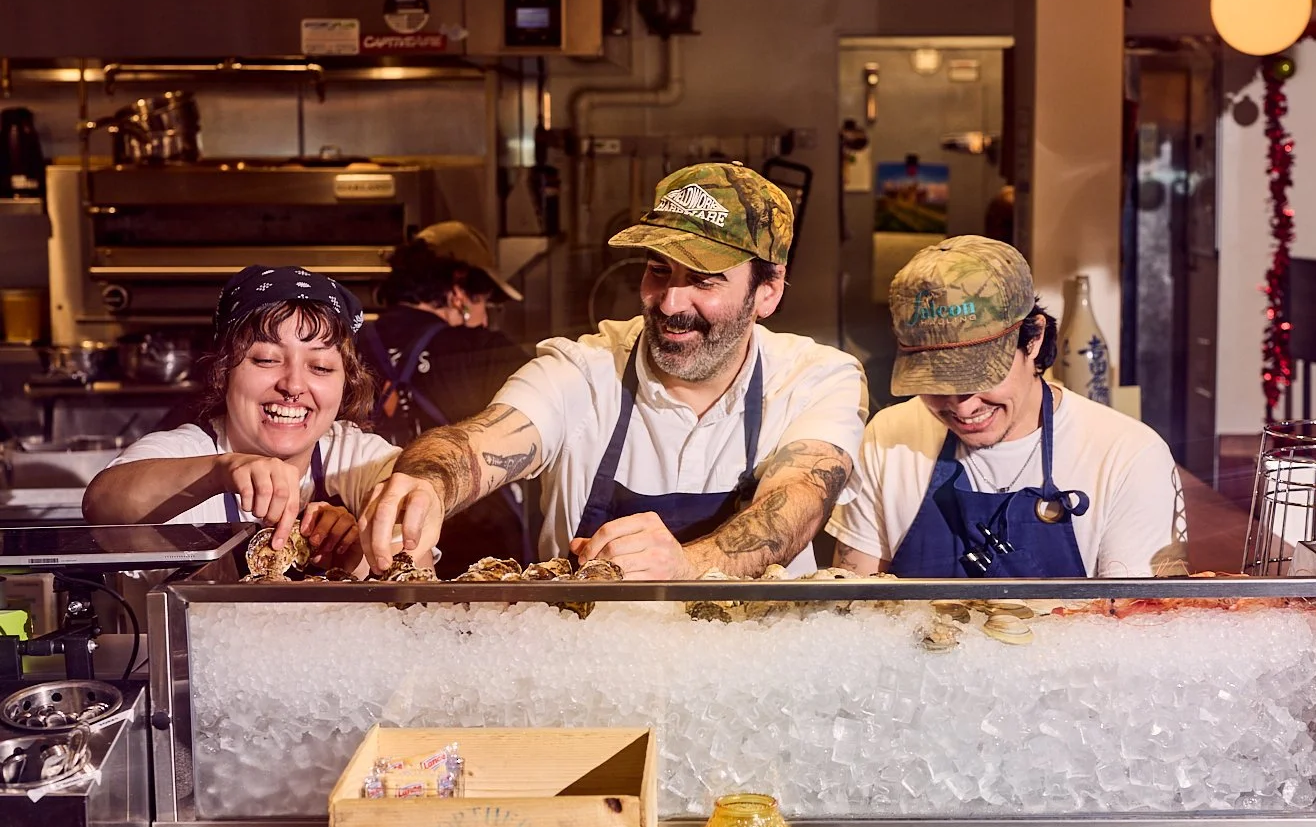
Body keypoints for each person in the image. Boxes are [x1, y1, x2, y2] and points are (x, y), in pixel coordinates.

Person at [358, 162, 868, 580]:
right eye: (658, 270)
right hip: (588, 672)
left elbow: (798, 499)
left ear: (768, 292)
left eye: (704, 281)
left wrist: (687, 565)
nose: (670, 303)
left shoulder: (816, 378)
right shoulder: (584, 370)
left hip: (753, 679)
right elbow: (476, 442)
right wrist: (428, 482)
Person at [827, 235, 1186, 578]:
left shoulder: (1127, 456)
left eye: (979, 376)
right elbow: (854, 608)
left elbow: (1137, 624)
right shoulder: (888, 438)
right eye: (933, 382)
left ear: (1033, 339)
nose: (962, 406)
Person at [85, 266, 399, 574]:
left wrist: (358, 562)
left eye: (320, 367)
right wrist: (221, 471)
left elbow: (416, 594)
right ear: (224, 371)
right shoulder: (187, 450)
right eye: (266, 360)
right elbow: (102, 505)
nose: (293, 385)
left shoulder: (356, 457)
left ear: (347, 383)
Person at [363, 222, 535, 571]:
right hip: (476, 550)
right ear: (460, 289)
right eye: (485, 301)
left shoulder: (344, 347)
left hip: (374, 540)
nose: (485, 317)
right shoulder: (483, 350)